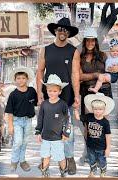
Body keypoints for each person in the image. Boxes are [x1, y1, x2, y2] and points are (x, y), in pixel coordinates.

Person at [36, 17, 80, 175]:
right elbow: (40, 71)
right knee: (46, 128)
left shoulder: (73, 51)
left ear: (69, 33)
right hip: (49, 96)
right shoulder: (45, 49)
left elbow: (75, 74)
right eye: (60, 29)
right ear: (55, 31)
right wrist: (39, 92)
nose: (63, 32)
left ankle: (70, 158)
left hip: (66, 98)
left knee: (69, 130)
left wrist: (77, 95)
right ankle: (44, 159)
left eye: (66, 30)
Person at [78, 27, 118, 164]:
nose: (90, 43)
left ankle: (103, 153)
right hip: (87, 92)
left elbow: (113, 71)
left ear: (96, 42)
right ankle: (88, 152)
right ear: (84, 42)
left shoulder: (103, 55)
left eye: (93, 41)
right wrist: (96, 75)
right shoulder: (80, 57)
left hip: (105, 92)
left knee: (103, 123)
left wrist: (117, 68)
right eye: (88, 40)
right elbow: (79, 76)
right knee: (88, 125)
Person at [35, 74, 70, 177]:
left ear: (60, 91)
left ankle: (63, 172)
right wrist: (38, 132)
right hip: (45, 137)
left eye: (55, 91)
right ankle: (45, 173)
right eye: (50, 91)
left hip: (58, 137)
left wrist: (66, 133)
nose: (52, 93)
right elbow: (40, 119)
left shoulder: (62, 104)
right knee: (45, 156)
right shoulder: (44, 104)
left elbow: (68, 120)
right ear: (47, 90)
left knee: (60, 157)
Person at [5, 67, 38, 172]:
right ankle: (14, 161)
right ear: (15, 80)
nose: (21, 80)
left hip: (28, 120)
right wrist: (10, 126)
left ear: (27, 79)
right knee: (18, 141)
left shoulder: (32, 91)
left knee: (25, 141)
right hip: (17, 121)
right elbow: (9, 112)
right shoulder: (13, 95)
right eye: (18, 78)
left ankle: (22, 161)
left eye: (23, 78)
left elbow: (37, 103)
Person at [80, 93, 114, 177]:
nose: (98, 111)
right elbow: (79, 117)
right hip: (90, 146)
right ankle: (93, 170)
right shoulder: (89, 117)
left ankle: (103, 170)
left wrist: (108, 148)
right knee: (91, 159)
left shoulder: (105, 122)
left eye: (100, 109)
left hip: (101, 147)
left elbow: (108, 135)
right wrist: (76, 110)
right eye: (95, 109)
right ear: (92, 109)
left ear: (104, 109)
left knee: (102, 160)